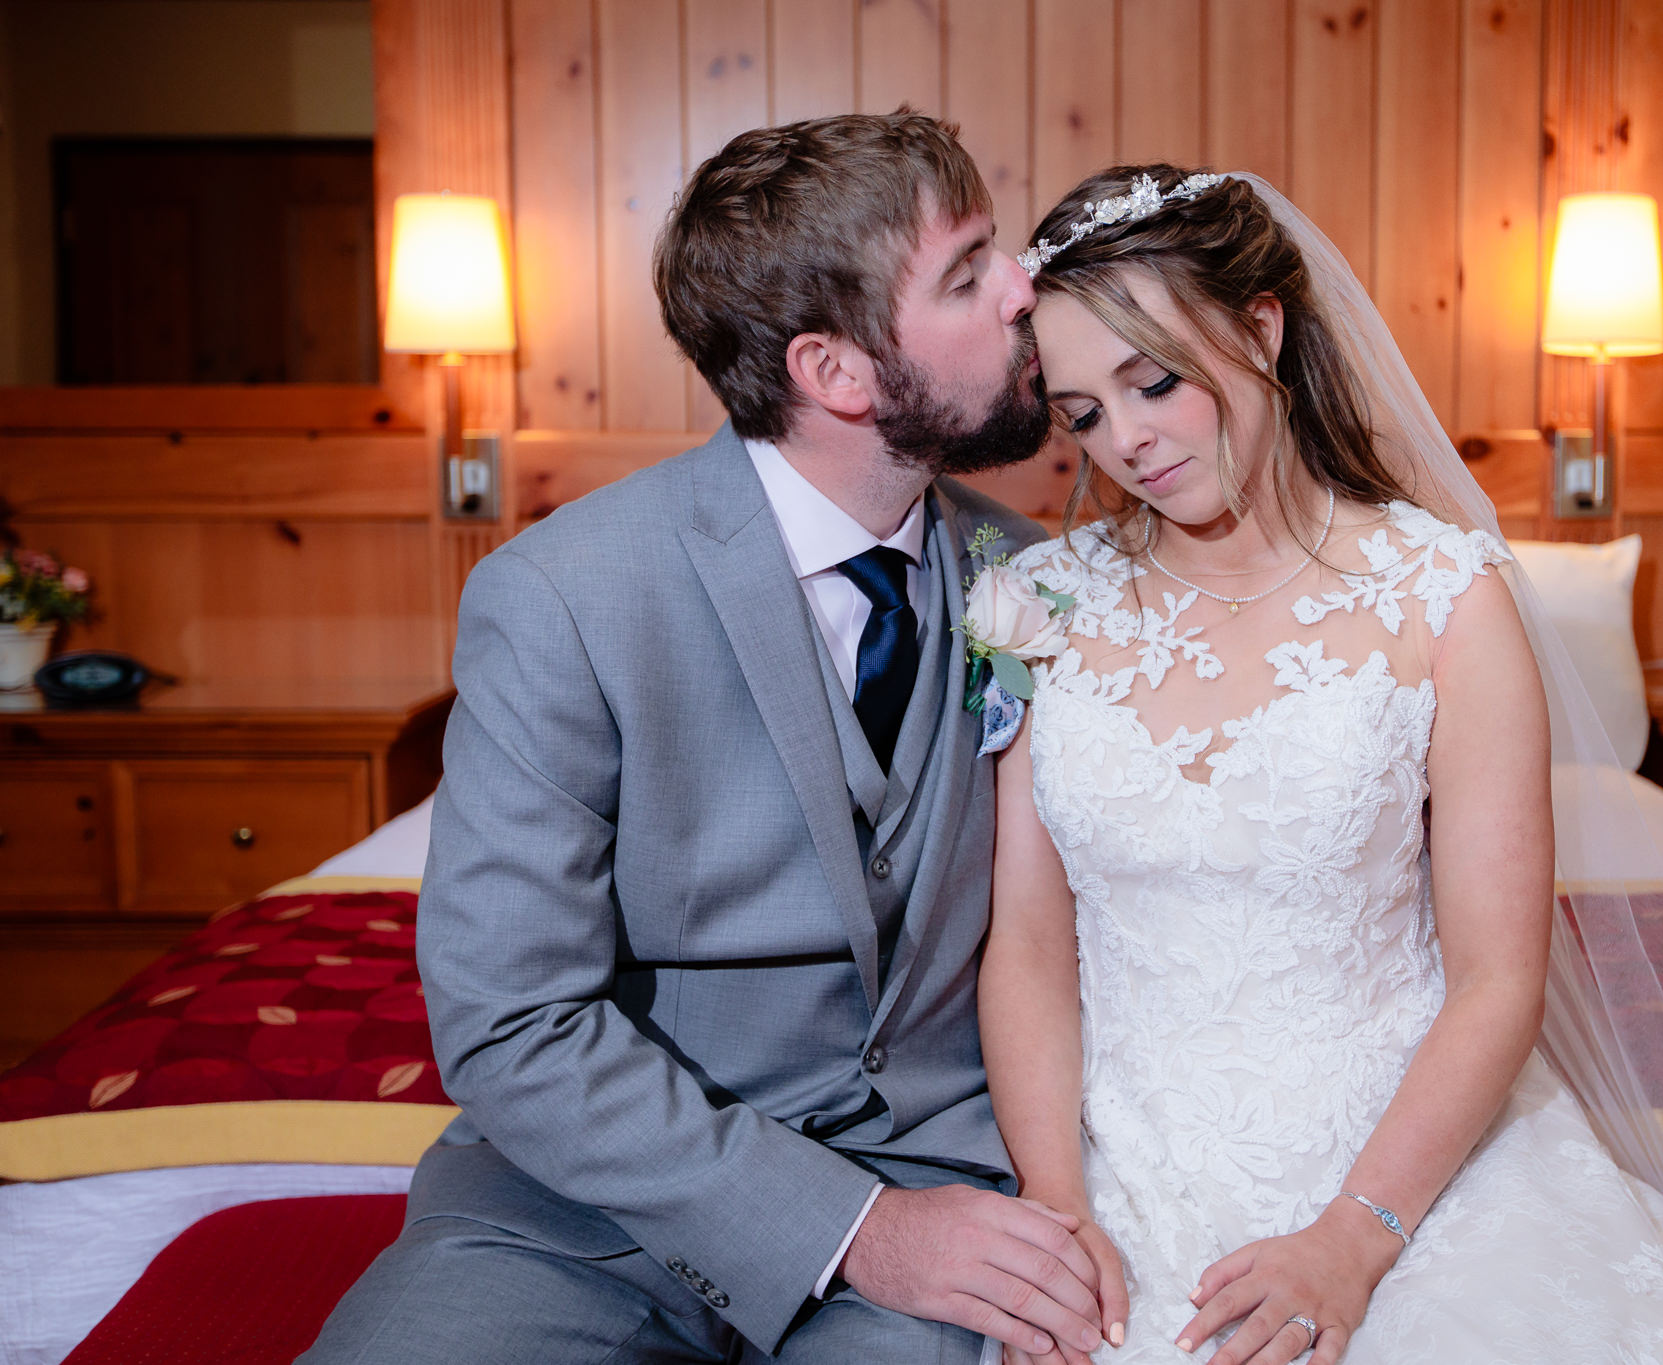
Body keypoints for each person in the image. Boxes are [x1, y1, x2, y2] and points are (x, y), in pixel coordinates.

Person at [981, 165, 1663, 1364]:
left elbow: (1500, 977)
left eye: (1154, 382)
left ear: (1261, 329)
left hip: (1403, 1159)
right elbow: (1028, 946)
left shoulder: (1443, 596)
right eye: (1081, 413)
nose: (1124, 441)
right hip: (1122, 1161)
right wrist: (1055, 1205)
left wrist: (1352, 1237)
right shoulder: (1039, 603)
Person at [303, 111, 1110, 1365]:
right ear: (835, 373)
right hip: (583, 1215)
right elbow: (510, 1023)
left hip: (943, 1201)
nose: (1024, 287)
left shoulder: (1039, 581)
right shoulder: (564, 596)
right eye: (967, 271)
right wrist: (853, 1228)